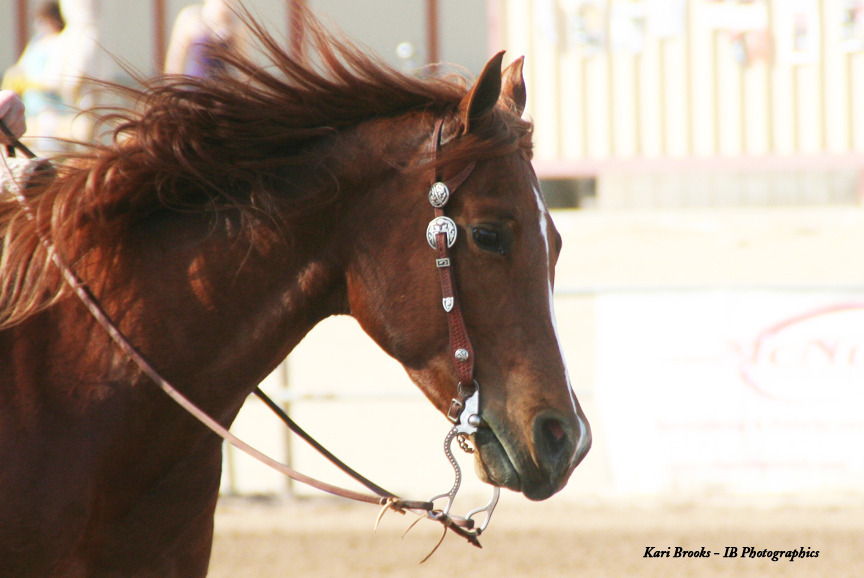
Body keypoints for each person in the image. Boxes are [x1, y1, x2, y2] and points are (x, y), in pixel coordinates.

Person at [164, 0, 246, 77]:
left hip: (222, 87)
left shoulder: (236, 26)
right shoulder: (190, 19)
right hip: (195, 87)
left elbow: (243, 67)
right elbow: (175, 61)